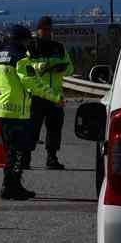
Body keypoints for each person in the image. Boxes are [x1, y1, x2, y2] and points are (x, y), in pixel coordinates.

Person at [0, 23, 63, 201]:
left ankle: (12, 185)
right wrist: (55, 97)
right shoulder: (20, 58)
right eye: (27, 40)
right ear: (22, 40)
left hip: (1, 110)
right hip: (18, 111)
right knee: (18, 151)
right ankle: (11, 187)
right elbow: (33, 84)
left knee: (11, 151)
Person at [25, 16, 73, 170]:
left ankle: (52, 158)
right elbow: (25, 68)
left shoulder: (58, 47)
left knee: (54, 128)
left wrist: (62, 68)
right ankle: (26, 159)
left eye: (49, 29)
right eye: (44, 29)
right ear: (37, 30)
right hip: (37, 95)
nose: (47, 32)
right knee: (32, 128)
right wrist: (41, 67)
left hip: (55, 96)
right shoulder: (31, 47)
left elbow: (71, 68)